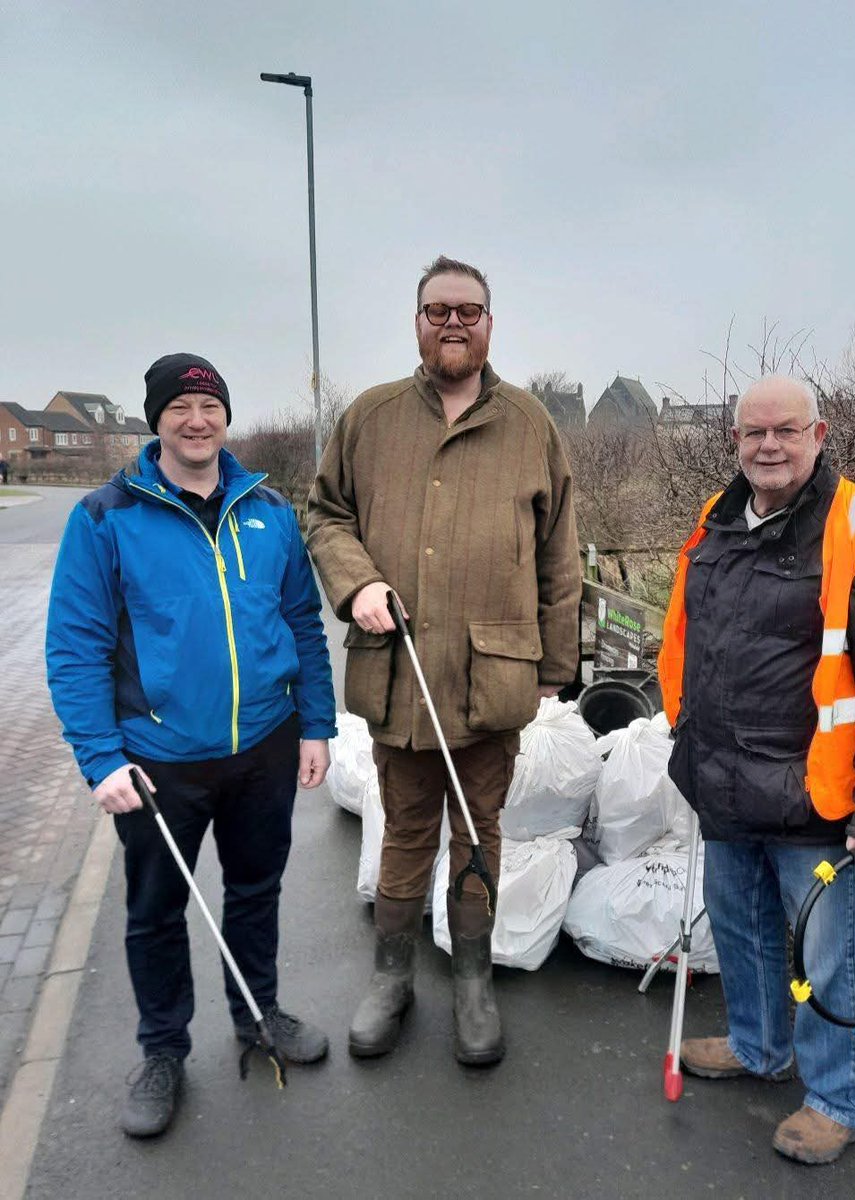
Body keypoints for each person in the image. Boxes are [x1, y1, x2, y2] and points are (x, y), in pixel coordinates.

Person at [47, 353, 337, 1137]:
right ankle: (162, 1051)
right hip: (157, 761)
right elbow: (75, 647)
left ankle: (257, 1014)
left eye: (209, 406)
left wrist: (316, 724)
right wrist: (100, 759)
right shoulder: (106, 517)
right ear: (157, 420)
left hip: (263, 747)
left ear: (226, 418)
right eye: (179, 407)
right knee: (155, 911)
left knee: (255, 892)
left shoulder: (269, 511)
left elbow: (303, 625)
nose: (196, 420)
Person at [307, 255, 581, 1065]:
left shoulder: (530, 425)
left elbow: (559, 554)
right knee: (404, 832)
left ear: (489, 323)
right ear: (417, 322)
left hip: (491, 679)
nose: (452, 323)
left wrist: (552, 668)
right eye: (437, 310)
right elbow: (325, 516)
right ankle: (391, 978)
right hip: (398, 678)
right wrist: (356, 582)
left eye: (468, 310)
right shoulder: (370, 418)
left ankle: (471, 980)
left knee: (478, 832)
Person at [658, 375, 855, 1164]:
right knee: (740, 931)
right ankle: (756, 1046)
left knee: (826, 958)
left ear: (818, 435)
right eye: (753, 432)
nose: (768, 446)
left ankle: (837, 1100)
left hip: (810, 793)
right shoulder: (715, 522)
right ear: (734, 441)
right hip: (721, 781)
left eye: (785, 430)